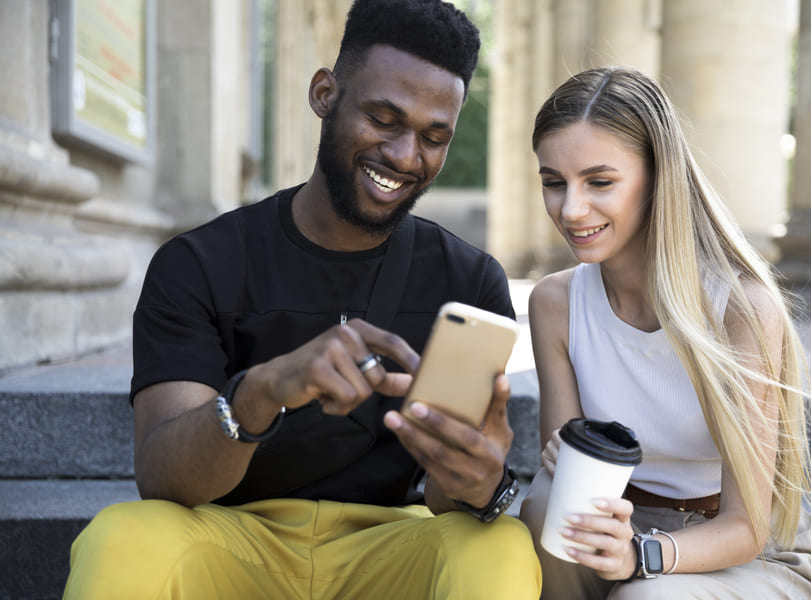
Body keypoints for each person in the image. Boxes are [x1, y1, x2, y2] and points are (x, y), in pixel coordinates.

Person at [62, 1, 541, 598]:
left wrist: (476, 475)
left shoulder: (469, 282)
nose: (404, 155)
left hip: (392, 545)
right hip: (232, 540)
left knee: (499, 545)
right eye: (384, 118)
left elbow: (448, 502)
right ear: (324, 93)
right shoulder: (199, 263)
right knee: (122, 536)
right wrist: (260, 393)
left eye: (433, 136)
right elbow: (165, 478)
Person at [518, 66, 811, 599]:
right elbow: (568, 475)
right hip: (623, 518)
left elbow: (747, 527)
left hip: (747, 549)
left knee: (649, 595)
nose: (571, 210)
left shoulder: (741, 309)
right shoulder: (555, 303)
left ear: (657, 178)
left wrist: (642, 556)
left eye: (600, 181)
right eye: (554, 183)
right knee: (548, 507)